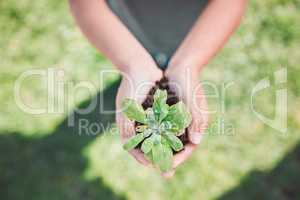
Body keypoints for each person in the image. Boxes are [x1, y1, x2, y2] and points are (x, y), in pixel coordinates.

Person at [69, 0, 247, 178]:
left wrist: (188, 63)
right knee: (143, 81)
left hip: (195, 33)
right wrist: (132, 64)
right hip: (123, 33)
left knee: (164, 71)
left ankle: (164, 65)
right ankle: (145, 68)